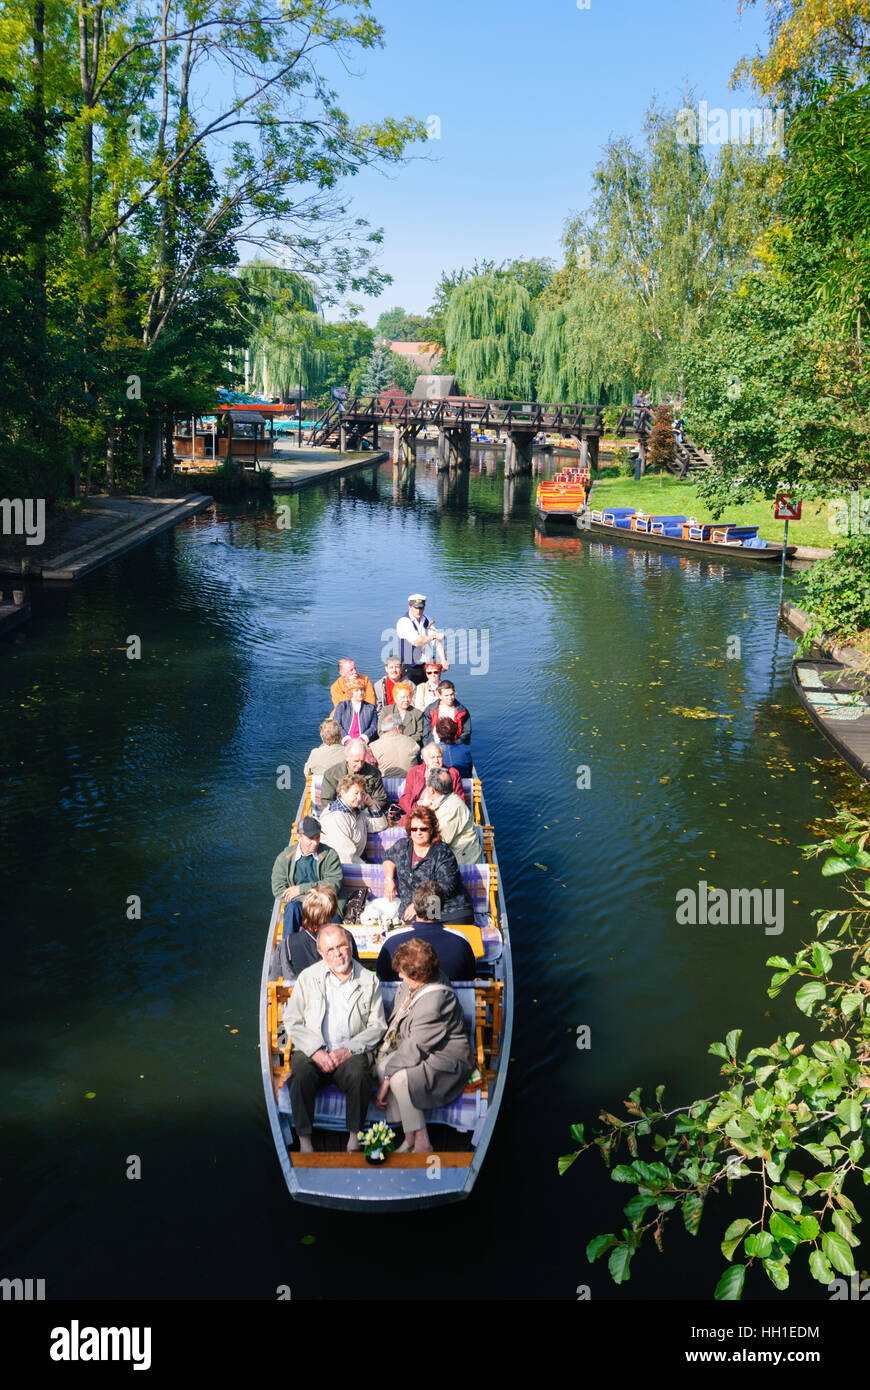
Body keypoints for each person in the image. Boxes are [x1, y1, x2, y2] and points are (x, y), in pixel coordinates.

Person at [284, 925, 386, 1153]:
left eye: (341, 946)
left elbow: (377, 1026)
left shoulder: (369, 981)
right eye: (329, 949)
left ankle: (353, 1137)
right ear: (320, 953)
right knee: (300, 1073)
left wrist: (348, 1050)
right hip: (314, 1050)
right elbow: (292, 1021)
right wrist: (315, 1051)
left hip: (348, 1052)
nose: (337, 953)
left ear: (350, 946)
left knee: (360, 1074)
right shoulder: (308, 978)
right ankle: (305, 1141)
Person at [373, 937, 474, 1153]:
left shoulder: (433, 1003)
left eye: (403, 972)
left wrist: (386, 1081)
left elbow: (415, 1048)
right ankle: (409, 1137)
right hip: (424, 1047)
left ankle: (421, 1142)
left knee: (398, 1078)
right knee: (382, 1067)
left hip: (446, 1059)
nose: (399, 976)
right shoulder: (420, 980)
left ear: (419, 975)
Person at [382, 805, 474, 925]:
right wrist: (389, 879)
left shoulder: (442, 851)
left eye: (423, 829)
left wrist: (418, 905)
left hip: (448, 909)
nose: (418, 833)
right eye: (414, 829)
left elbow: (445, 887)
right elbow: (388, 857)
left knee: (432, 933)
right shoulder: (402, 846)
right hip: (414, 912)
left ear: (431, 830)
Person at [376, 882, 476, 983]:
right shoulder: (460, 941)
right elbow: (469, 976)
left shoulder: (392, 940)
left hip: (402, 997)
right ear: (442, 908)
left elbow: (382, 976)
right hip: (446, 997)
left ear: (414, 907)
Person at [270, 816, 346, 929]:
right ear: (298, 837)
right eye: (310, 838)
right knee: (292, 908)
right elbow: (278, 889)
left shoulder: (330, 855)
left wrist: (300, 889)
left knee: (333, 926)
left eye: (318, 837)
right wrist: (308, 902)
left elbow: (333, 885)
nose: (315, 842)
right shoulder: (284, 858)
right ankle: (288, 945)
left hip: (326, 904)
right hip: (301, 905)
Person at [273, 885, 358, 979]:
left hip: (300, 992)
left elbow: (276, 977)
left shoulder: (287, 943)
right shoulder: (346, 937)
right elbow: (356, 972)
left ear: (304, 911)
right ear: (334, 913)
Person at [417, 767, 482, 865]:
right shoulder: (446, 801)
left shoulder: (452, 809)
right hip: (454, 855)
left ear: (432, 790)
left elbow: (437, 842)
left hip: (463, 863)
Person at [320, 774, 388, 864]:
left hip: (356, 861)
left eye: (362, 793)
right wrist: (367, 869)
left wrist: (371, 804)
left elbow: (380, 825)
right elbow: (346, 857)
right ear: (343, 792)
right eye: (356, 793)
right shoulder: (334, 818)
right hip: (339, 867)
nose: (360, 798)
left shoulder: (356, 812)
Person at [399, 742, 465, 821]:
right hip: (418, 812)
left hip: (443, 815)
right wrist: (419, 809)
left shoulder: (452, 773)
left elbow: (459, 799)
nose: (436, 760)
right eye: (432, 757)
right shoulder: (414, 772)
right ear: (425, 759)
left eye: (439, 757)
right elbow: (406, 798)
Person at [320, 738, 387, 813]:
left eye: (362, 761)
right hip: (339, 816)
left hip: (366, 816)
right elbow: (326, 801)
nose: (359, 765)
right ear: (347, 757)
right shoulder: (331, 774)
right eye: (356, 761)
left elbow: (380, 799)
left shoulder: (374, 774)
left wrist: (365, 813)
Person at [396, 593, 448, 685]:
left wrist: (443, 659)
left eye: (421, 608)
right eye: (416, 608)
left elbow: (437, 642)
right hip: (412, 668)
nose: (418, 611)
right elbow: (417, 642)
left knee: (433, 694)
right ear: (410, 606)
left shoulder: (427, 619)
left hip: (429, 666)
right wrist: (434, 636)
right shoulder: (404, 622)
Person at [368, 709, 421, 778]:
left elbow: (371, 770)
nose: (403, 730)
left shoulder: (373, 747)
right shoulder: (412, 742)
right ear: (398, 727)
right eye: (403, 727)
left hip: (384, 784)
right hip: (410, 784)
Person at [421, 679, 472, 744]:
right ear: (439, 696)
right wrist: (432, 748)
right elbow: (426, 733)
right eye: (446, 695)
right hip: (435, 746)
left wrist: (454, 744)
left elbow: (466, 732)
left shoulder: (462, 711)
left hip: (455, 745)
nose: (450, 698)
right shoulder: (430, 710)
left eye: (452, 694)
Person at [333, 675, 378, 744]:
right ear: (351, 692)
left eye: (362, 690)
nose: (360, 693)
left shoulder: (371, 708)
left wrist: (363, 739)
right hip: (344, 743)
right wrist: (346, 740)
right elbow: (337, 724)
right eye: (356, 690)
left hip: (363, 743)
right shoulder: (342, 706)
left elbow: (373, 727)